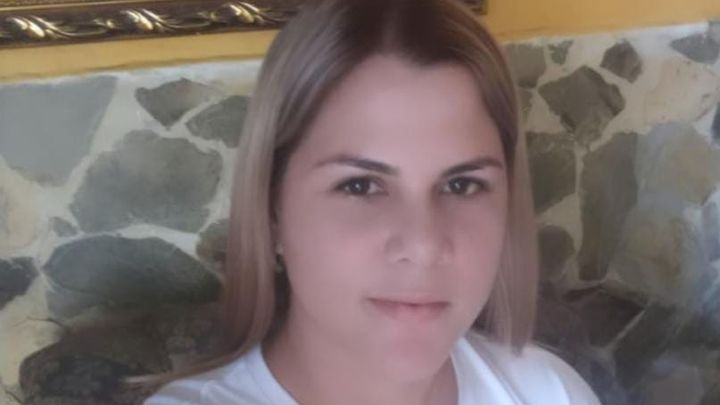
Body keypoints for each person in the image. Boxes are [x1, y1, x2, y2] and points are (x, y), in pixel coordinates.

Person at [142, 0, 601, 403]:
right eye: (360, 186)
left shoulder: (549, 392)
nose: (423, 246)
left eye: (461, 185)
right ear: (271, 211)